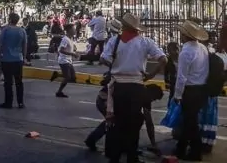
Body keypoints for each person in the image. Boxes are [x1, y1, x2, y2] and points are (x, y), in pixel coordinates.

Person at [100, 13, 166, 163]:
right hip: (136, 87)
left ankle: (115, 157)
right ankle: (132, 156)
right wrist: (150, 75)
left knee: (118, 123)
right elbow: (163, 59)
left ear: (124, 26)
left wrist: (115, 66)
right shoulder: (145, 42)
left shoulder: (114, 41)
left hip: (118, 86)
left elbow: (103, 58)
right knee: (134, 124)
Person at [84, 83, 164, 154]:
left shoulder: (141, 91)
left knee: (123, 120)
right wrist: (153, 144)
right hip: (105, 99)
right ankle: (96, 142)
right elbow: (149, 122)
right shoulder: (143, 95)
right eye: (154, 98)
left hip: (107, 98)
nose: (153, 101)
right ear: (151, 94)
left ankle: (123, 147)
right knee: (115, 120)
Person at [172, 20, 210, 161]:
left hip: (190, 90)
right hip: (201, 88)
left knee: (190, 122)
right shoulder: (203, 48)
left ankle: (194, 151)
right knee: (189, 121)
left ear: (184, 35)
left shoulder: (186, 52)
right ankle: (181, 148)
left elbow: (181, 77)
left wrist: (177, 95)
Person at [0, 13, 27, 109]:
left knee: (8, 82)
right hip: (18, 59)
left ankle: (8, 102)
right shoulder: (22, 31)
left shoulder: (5, 30)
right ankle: (20, 102)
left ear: (9, 19)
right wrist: (24, 57)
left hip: (6, 59)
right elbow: (24, 45)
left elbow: (1, 44)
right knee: (19, 82)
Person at [50, 24, 78, 98]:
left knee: (73, 77)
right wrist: (72, 53)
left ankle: (57, 75)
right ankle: (59, 92)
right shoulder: (65, 39)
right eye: (73, 29)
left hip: (68, 60)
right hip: (64, 60)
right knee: (68, 77)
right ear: (69, 31)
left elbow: (68, 48)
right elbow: (61, 50)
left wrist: (73, 49)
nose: (75, 30)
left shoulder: (70, 38)